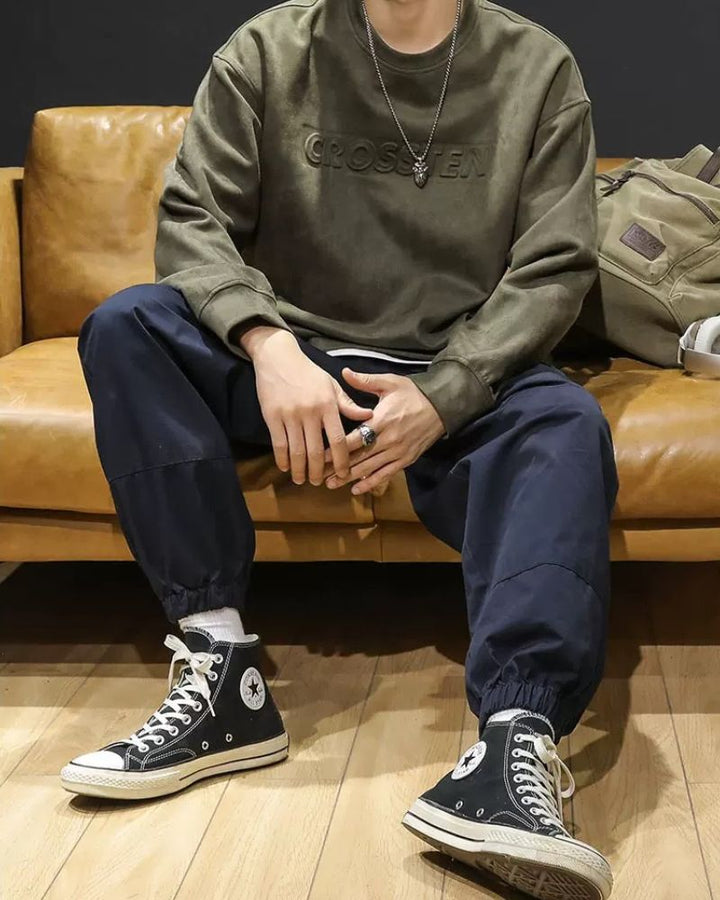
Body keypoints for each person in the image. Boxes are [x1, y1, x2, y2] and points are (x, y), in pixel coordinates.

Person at [64, 0, 618, 897]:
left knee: (566, 424)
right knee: (129, 325)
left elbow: (555, 267)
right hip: (294, 360)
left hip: (452, 366)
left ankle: (514, 742)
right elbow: (193, 218)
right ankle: (223, 676)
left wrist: (445, 394)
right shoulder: (267, 50)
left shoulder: (537, 67)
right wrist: (267, 344)